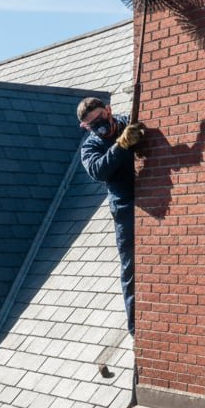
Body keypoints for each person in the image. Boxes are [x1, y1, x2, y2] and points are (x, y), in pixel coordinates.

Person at [77, 97, 144, 335]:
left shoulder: (130, 123)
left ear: (109, 110)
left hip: (152, 197)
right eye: (91, 124)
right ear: (85, 127)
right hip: (126, 208)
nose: (98, 125)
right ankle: (136, 329)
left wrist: (138, 135)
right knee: (131, 268)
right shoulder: (90, 147)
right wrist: (121, 145)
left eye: (99, 118)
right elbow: (100, 170)